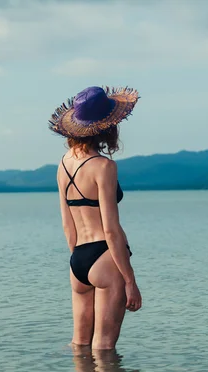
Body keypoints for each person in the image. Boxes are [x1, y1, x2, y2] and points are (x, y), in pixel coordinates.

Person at [49, 86, 142, 350]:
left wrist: (79, 261)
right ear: (107, 126)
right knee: (104, 350)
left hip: (77, 260)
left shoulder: (63, 164)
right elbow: (111, 230)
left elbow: (68, 224)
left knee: (79, 346)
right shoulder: (104, 167)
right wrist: (130, 280)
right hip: (105, 257)